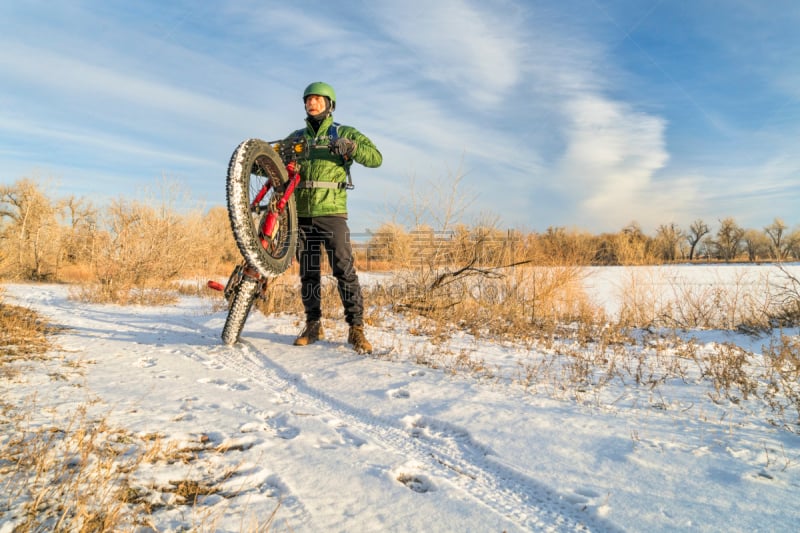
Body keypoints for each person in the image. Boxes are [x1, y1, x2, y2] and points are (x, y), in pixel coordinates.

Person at [285, 81, 382, 354]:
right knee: (309, 273)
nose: (311, 103)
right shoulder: (296, 138)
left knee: (344, 270)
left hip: (333, 213)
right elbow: (271, 163)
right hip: (302, 215)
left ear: (329, 104)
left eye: (317, 99)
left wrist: (351, 147)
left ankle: (356, 329)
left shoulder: (343, 132)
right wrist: (254, 163)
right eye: (307, 100)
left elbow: (376, 158)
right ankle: (313, 325)